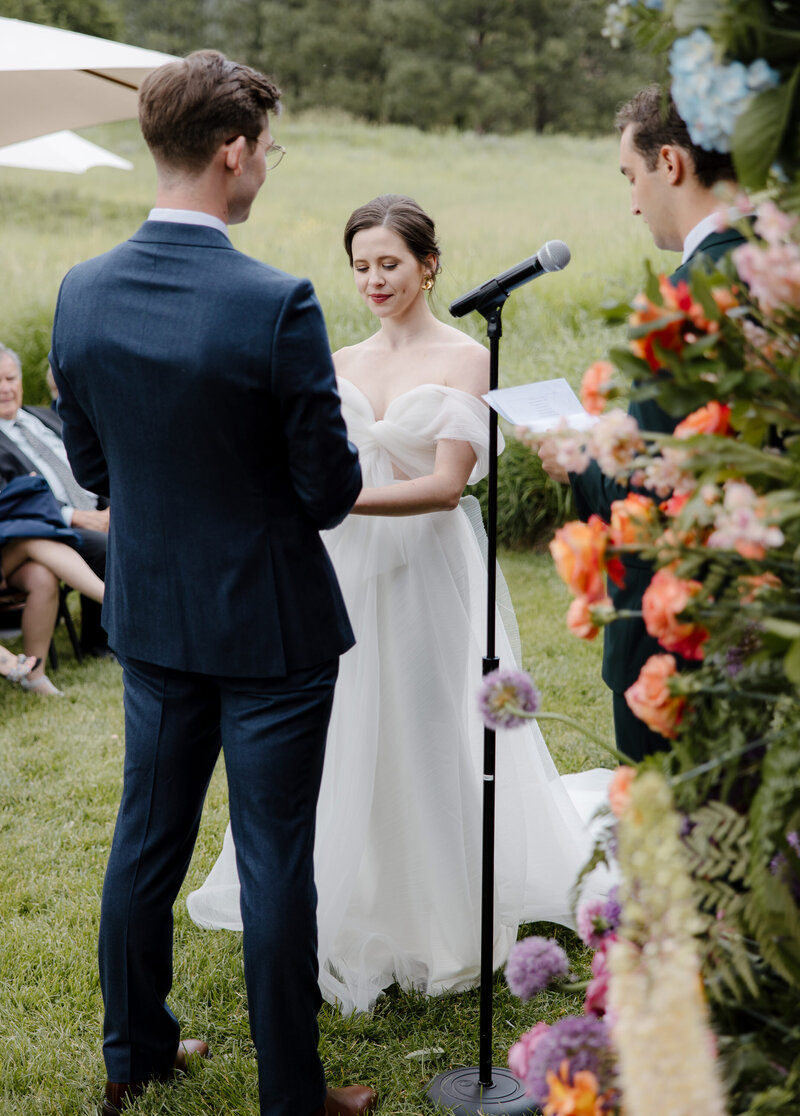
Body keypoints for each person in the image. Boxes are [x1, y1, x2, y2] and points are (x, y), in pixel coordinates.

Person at [188, 194, 613, 1016]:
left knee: (428, 719)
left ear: (429, 264)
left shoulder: (465, 359)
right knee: (347, 722)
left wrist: (333, 501)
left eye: (390, 263)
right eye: (360, 266)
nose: (374, 280)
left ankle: (444, 914)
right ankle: (357, 895)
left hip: (430, 564)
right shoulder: (337, 358)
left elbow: (446, 483)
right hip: (344, 568)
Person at [49, 50, 372, 1116]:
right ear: (231, 152)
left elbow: (94, 471)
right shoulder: (274, 301)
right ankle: (293, 1093)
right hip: (272, 626)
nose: (265, 166)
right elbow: (327, 492)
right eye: (266, 150)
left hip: (150, 611)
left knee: (146, 835)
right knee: (275, 856)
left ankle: (132, 1056)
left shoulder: (80, 290)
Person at [537, 84, 748, 762]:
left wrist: (576, 455)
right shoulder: (777, 265)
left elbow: (653, 492)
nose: (632, 201)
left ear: (671, 163)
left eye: (631, 177)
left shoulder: (687, 296)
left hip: (685, 631)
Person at [0, 343, 109, 657]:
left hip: (99, 507)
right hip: (51, 526)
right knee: (106, 546)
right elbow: (12, 505)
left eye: (11, 379)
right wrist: (77, 516)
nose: (6, 388)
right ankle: (102, 641)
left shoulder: (45, 416)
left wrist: (111, 504)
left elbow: (92, 459)